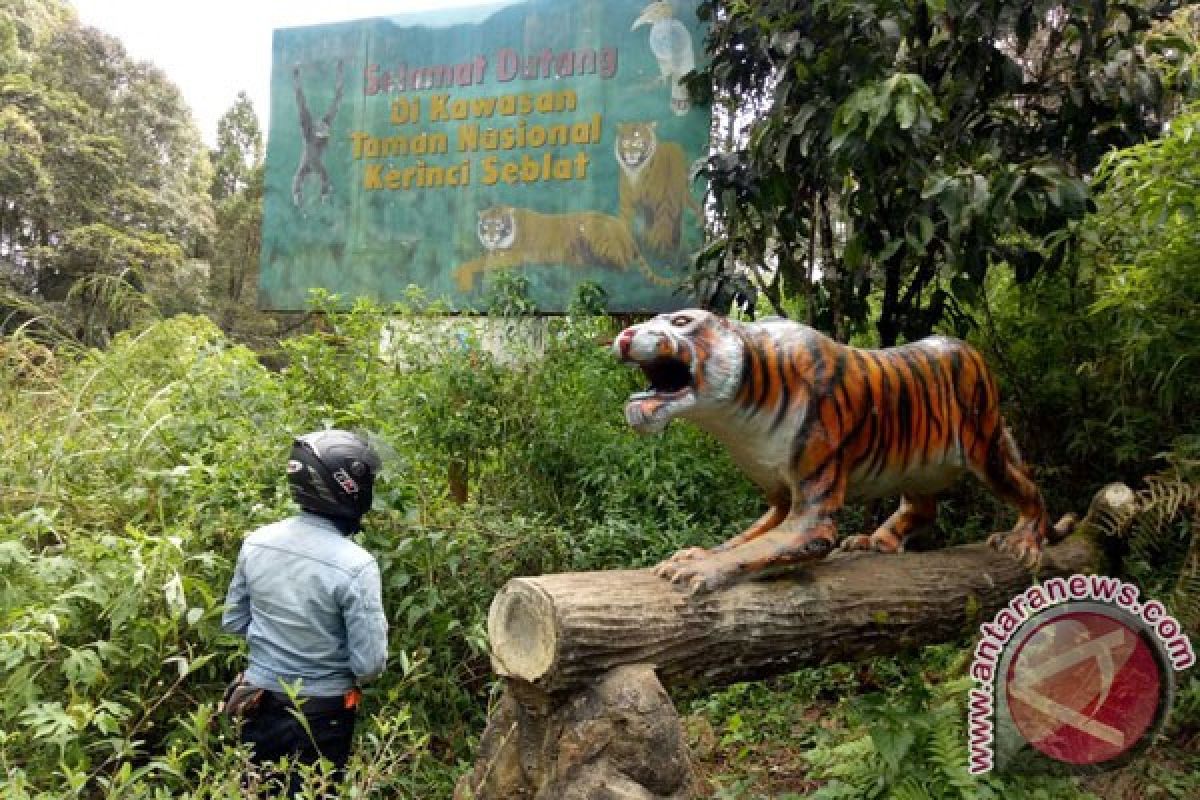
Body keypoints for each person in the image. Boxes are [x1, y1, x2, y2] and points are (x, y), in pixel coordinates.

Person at [222, 429, 388, 794]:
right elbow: (369, 665)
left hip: (256, 703)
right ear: (345, 484)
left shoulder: (257, 541)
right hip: (323, 715)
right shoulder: (356, 565)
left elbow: (233, 620)